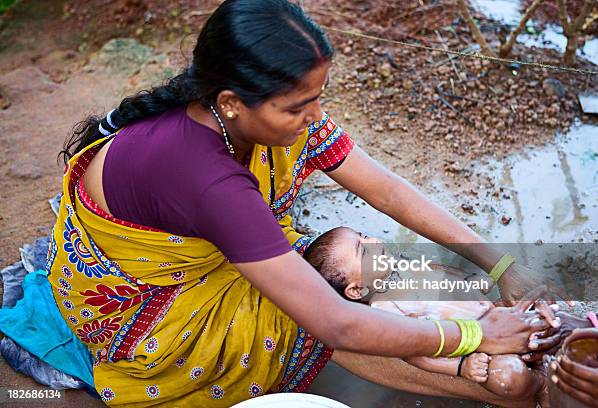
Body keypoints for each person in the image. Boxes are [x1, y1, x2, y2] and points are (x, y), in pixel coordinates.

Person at [49, 0, 558, 405]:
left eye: (318, 97)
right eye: (298, 106)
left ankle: (489, 342)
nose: (315, 116)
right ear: (230, 102)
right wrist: (467, 336)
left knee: (354, 262)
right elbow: (333, 321)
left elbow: (388, 190)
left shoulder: (257, 121)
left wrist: (505, 265)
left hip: (210, 248)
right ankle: (521, 388)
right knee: (320, 301)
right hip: (154, 312)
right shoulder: (205, 176)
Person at [304, 226, 550, 400]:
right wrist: (461, 367)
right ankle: (542, 387)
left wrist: (469, 281)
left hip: (495, 314)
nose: (373, 241)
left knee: (538, 310)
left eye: (364, 235)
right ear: (357, 290)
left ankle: (559, 346)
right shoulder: (386, 309)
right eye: (363, 250)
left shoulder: (402, 265)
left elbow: (440, 272)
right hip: (481, 351)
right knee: (506, 378)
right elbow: (414, 355)